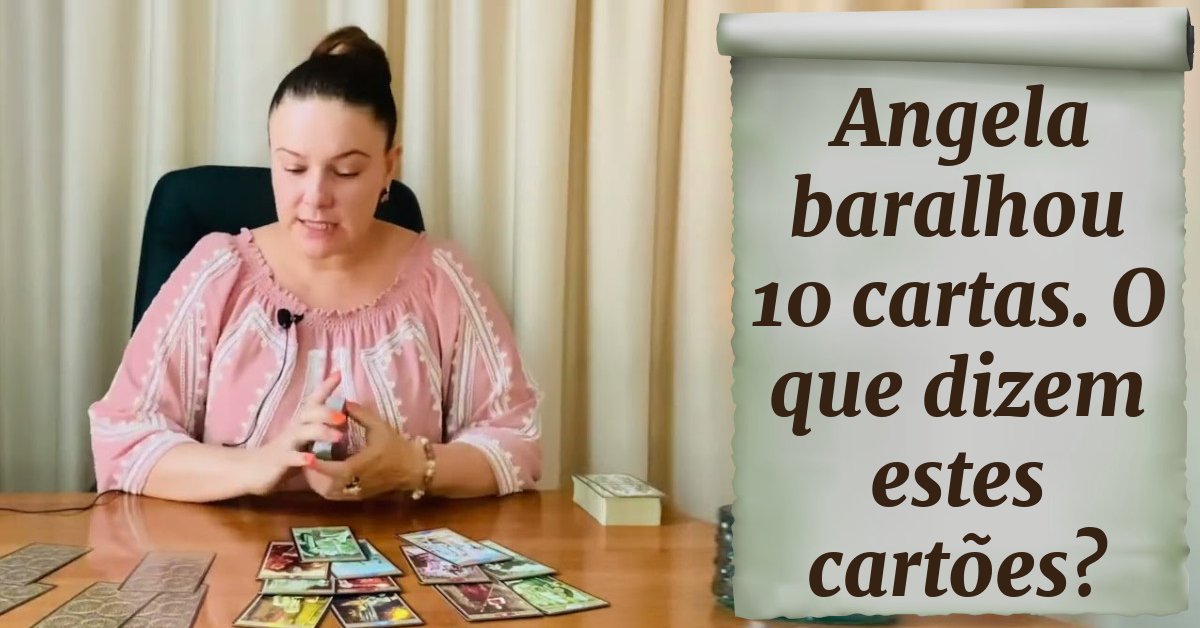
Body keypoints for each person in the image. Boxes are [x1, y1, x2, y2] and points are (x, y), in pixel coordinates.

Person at [88, 26, 541, 503]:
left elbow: (517, 440)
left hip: (398, 545)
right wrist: (257, 466)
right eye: (293, 168)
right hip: (229, 545)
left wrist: (412, 465)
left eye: (346, 171)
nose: (315, 196)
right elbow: (123, 437)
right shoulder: (219, 271)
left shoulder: (441, 278)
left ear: (389, 168)